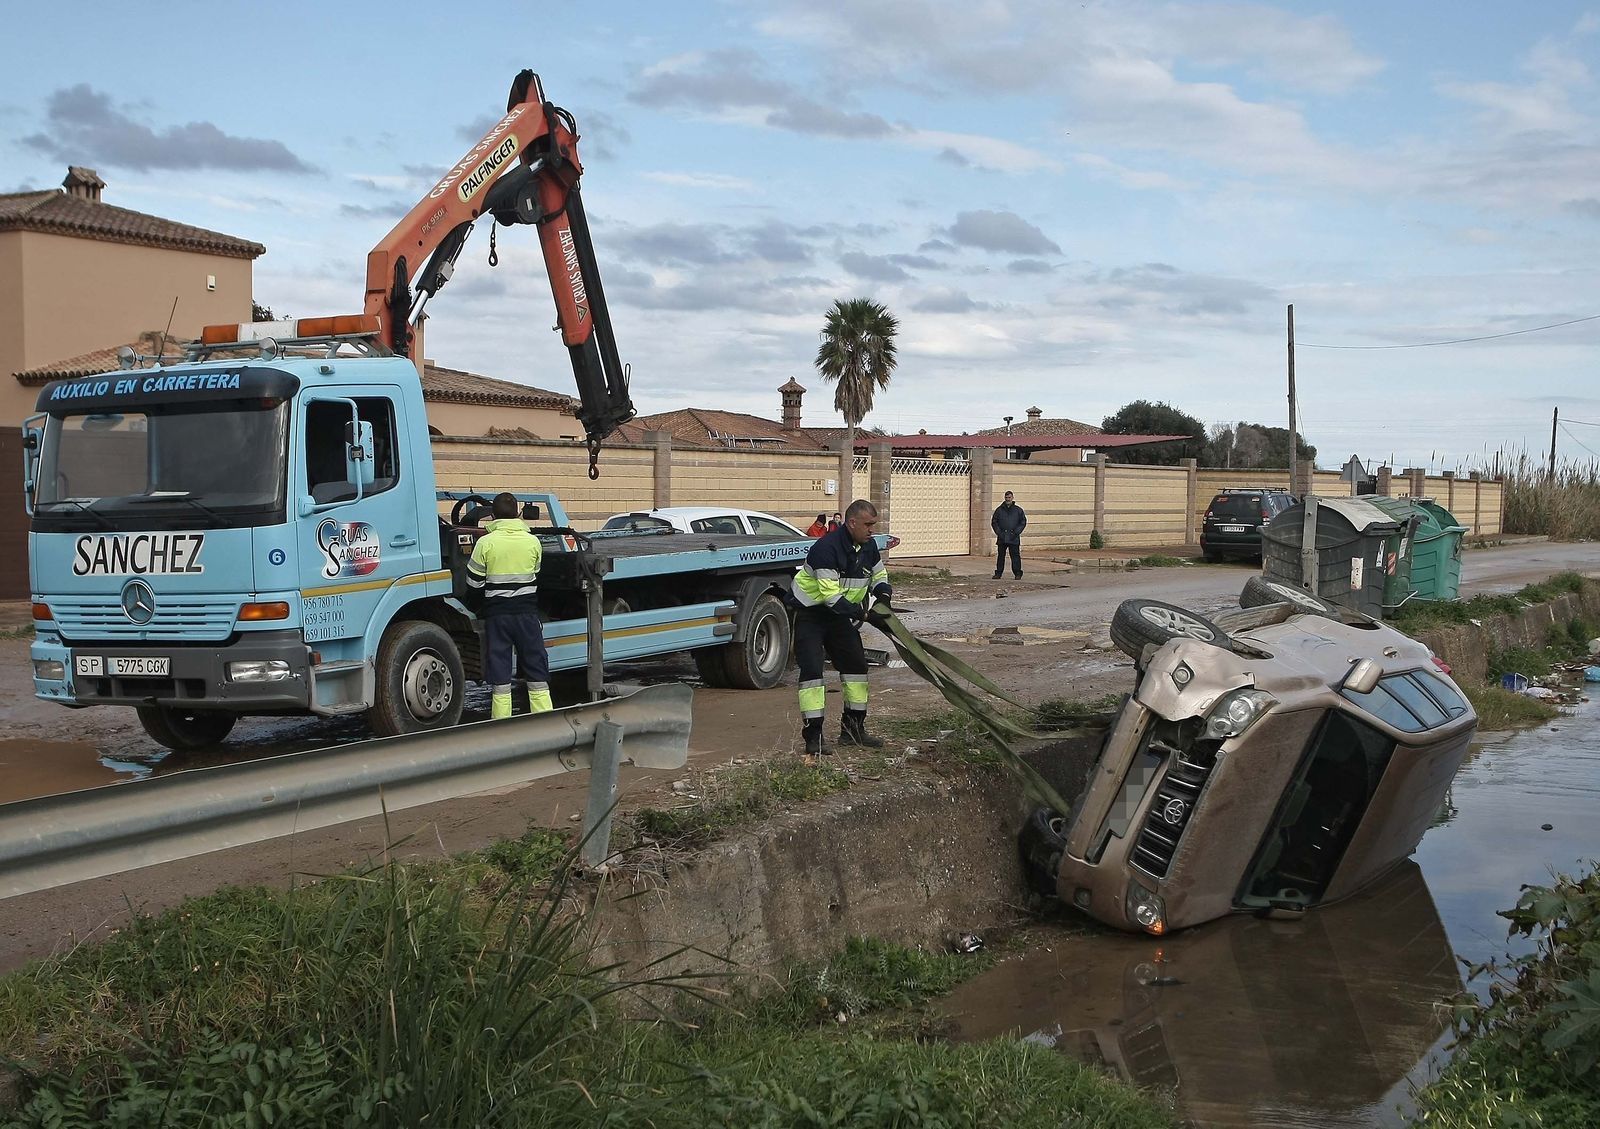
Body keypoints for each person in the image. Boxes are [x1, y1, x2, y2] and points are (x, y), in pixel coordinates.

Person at [791, 499, 891, 756]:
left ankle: (853, 730)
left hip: (840, 618)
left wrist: (883, 598)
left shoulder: (868, 547)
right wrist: (865, 614)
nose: (872, 530)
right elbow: (830, 596)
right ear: (852, 522)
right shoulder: (826, 549)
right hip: (812, 615)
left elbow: (879, 575)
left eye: (874, 525)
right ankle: (814, 737)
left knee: (857, 668)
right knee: (813, 673)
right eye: (868, 525)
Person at [465, 492, 552, 719]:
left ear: (492, 516)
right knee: (535, 665)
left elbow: (473, 584)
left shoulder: (485, 543)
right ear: (518, 514)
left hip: (497, 616)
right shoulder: (533, 542)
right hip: (527, 615)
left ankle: (501, 725)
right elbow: (535, 572)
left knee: (500, 670)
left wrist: (477, 608)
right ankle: (546, 721)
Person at [991, 489, 1027, 579]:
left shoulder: (1018, 510)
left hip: (1013, 537)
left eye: (1009, 497)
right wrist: (999, 533)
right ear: (1004, 498)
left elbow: (1023, 522)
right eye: (1006, 497)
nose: (1008, 499)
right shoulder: (999, 510)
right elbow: (994, 522)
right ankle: (998, 573)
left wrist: (1015, 532)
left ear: (1012, 498)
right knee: (1000, 557)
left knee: (1015, 557)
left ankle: (1017, 573)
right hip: (1002, 537)